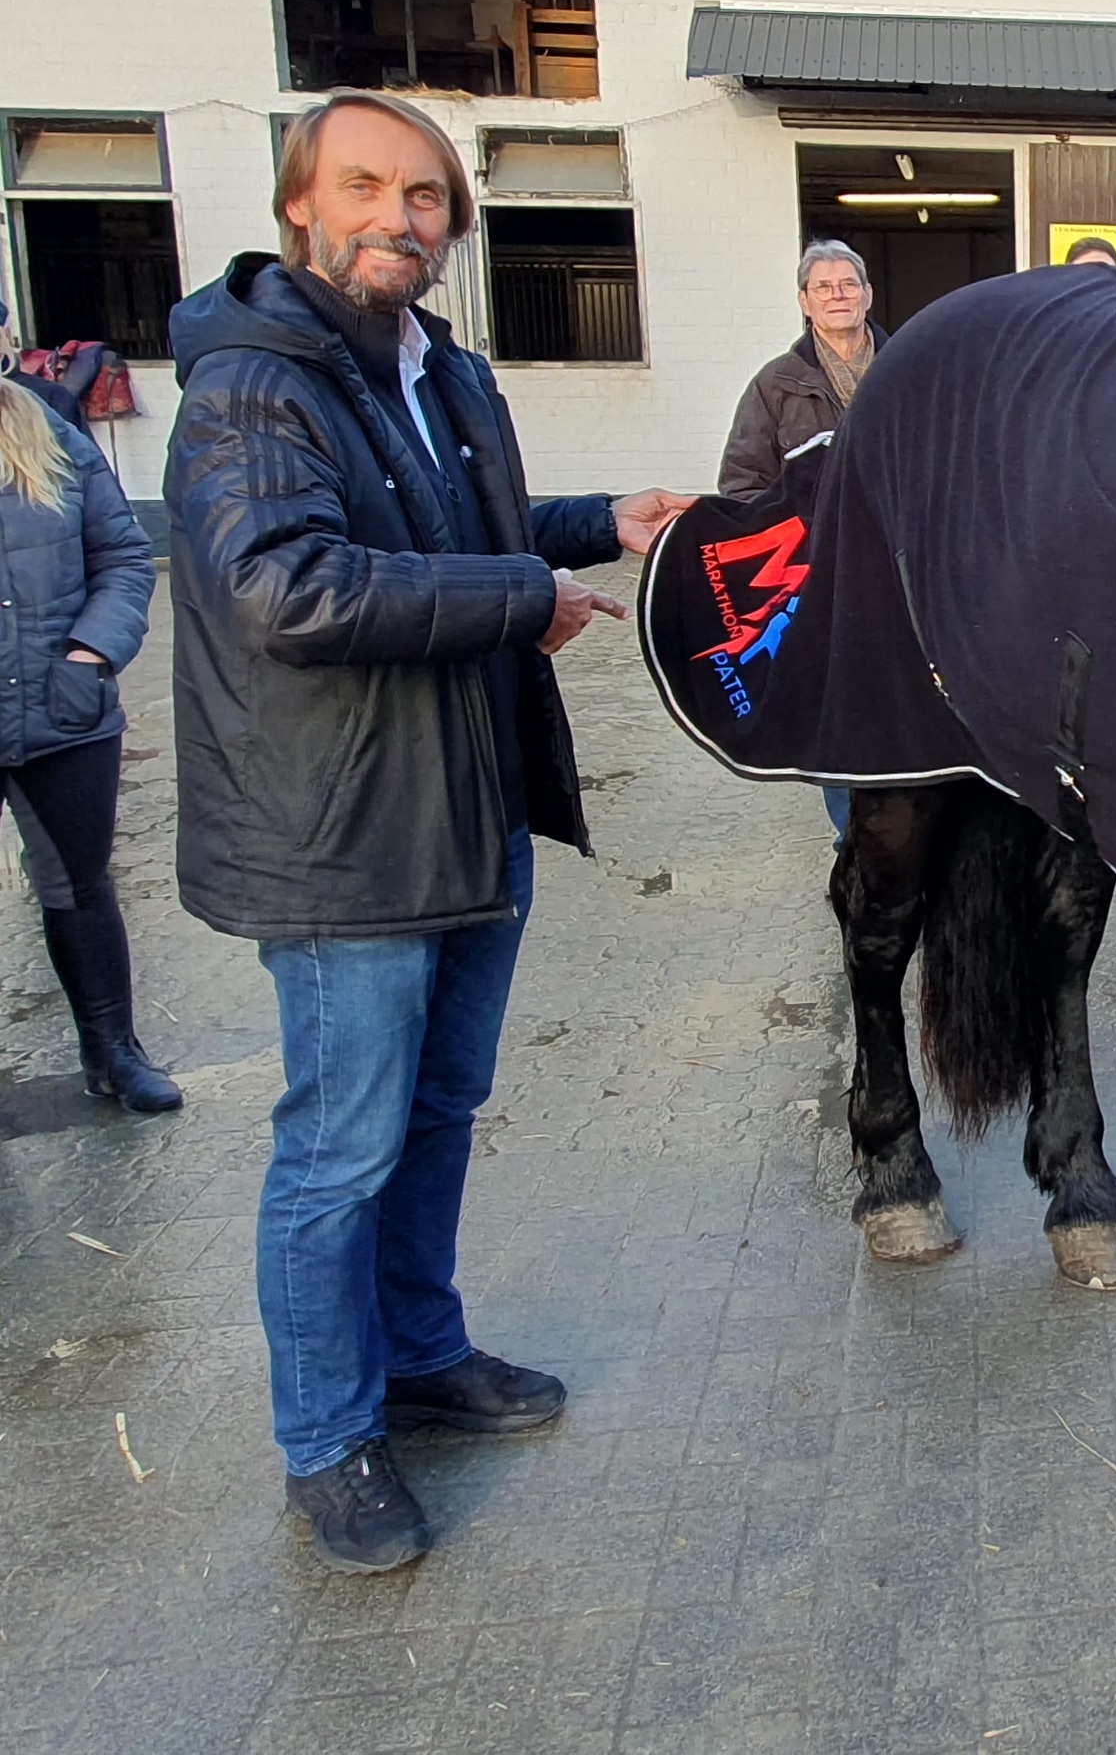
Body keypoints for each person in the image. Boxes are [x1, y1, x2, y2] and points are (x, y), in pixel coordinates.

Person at [165, 89, 693, 1576]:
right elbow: (290, 588)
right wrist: (526, 601)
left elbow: (473, 528)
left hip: (467, 813)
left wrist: (601, 522)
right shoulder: (252, 388)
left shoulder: (436, 369)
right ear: (296, 205)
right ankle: (327, 1440)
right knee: (338, 1150)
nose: (395, 218)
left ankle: (418, 1355)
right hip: (339, 841)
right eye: (363, 187)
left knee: (439, 1114)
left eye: (423, 198)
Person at [0, 373, 162, 1108]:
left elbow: (125, 558)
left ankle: (113, 1054)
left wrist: (88, 654)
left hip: (61, 714)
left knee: (78, 886)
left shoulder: (51, 436)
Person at [716, 239, 886, 503]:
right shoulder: (776, 383)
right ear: (804, 302)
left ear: (867, 295)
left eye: (848, 285)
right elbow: (742, 484)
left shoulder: (906, 369)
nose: (837, 295)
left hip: (895, 538)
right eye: (823, 287)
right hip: (812, 539)